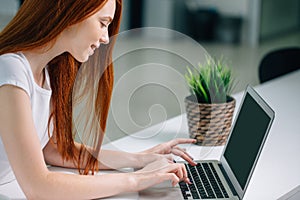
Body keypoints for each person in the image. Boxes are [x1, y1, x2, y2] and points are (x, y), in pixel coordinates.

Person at [0, 0, 197, 199]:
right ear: (72, 13)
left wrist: (139, 159)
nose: (105, 38)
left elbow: (51, 150)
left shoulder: (46, 73)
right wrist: (138, 178)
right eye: (103, 23)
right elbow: (39, 187)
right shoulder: (11, 70)